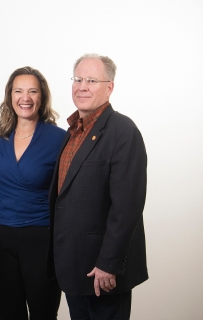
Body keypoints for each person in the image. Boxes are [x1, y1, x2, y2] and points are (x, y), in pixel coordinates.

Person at [49, 54, 148, 320]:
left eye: (91, 80)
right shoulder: (72, 131)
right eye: (78, 79)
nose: (82, 86)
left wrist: (109, 263)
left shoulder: (123, 132)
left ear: (109, 87)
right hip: (74, 267)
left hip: (102, 271)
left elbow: (127, 207)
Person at [0, 67, 65, 320]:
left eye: (33, 91)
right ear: (10, 96)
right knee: (9, 314)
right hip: (0, 240)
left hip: (41, 239)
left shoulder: (59, 139)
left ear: (42, 97)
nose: (26, 97)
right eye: (19, 91)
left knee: (43, 314)